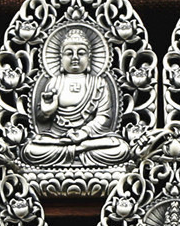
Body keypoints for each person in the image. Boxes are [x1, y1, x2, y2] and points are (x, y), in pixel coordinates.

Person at [22, 28, 129, 167]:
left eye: (81, 53)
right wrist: (46, 112)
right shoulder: (54, 83)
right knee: (30, 150)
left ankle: (76, 150)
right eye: (69, 53)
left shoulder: (99, 83)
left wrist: (84, 132)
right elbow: (41, 119)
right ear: (61, 58)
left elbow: (104, 117)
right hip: (58, 137)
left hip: (89, 139)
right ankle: (78, 151)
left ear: (89, 57)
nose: (75, 57)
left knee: (120, 148)